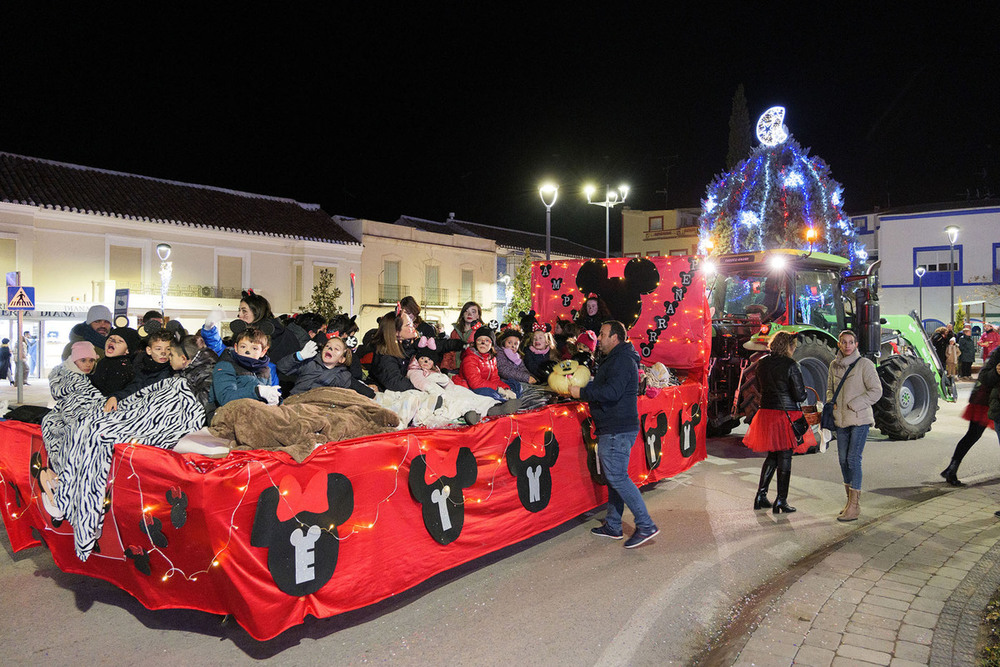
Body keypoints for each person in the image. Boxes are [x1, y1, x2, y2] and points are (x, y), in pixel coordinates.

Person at [569, 320, 659, 548]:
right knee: (614, 478)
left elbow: (612, 392)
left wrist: (581, 392)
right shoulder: (618, 358)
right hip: (616, 427)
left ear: (615, 337)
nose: (598, 338)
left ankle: (645, 524)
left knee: (618, 477)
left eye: (602, 334)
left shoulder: (620, 360)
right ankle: (613, 524)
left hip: (616, 429)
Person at [743, 332, 807, 514]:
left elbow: (762, 388)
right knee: (785, 457)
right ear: (788, 346)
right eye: (793, 346)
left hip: (766, 414)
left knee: (772, 455)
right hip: (784, 416)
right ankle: (781, 500)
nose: (794, 349)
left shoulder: (762, 363)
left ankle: (761, 496)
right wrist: (805, 395)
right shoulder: (791, 365)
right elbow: (799, 395)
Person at [826, 329, 882, 522]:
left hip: (859, 419)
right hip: (840, 420)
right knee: (842, 460)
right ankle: (849, 502)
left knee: (852, 459)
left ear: (856, 344)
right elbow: (829, 389)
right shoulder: (834, 365)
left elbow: (876, 391)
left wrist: (854, 404)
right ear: (839, 344)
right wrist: (831, 404)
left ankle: (854, 506)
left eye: (851, 342)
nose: (848, 345)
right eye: (844, 342)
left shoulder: (865, 365)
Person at [941, 345, 1000, 486]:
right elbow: (984, 376)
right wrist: (997, 372)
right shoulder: (998, 353)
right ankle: (952, 468)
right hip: (984, 401)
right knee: (973, 435)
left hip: (987, 400)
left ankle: (951, 469)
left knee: (972, 435)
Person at [277, 335, 375, 398]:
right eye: (328, 346)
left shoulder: (343, 376)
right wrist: (299, 356)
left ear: (342, 359)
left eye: (336, 349)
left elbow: (367, 393)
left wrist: (372, 391)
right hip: (295, 403)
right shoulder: (309, 363)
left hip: (318, 410)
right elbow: (281, 367)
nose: (330, 348)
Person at [210, 327, 280, 408]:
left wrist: (274, 399)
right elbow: (225, 398)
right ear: (236, 348)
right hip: (229, 416)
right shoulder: (226, 365)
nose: (247, 351)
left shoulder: (265, 370)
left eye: (254, 348)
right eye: (243, 347)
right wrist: (257, 392)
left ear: (263, 352)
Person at [459, 326, 521, 403]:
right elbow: (475, 383)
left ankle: (512, 399)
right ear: (475, 343)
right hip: (469, 388)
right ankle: (500, 404)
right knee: (488, 392)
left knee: (514, 384)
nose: (483, 342)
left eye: (487, 340)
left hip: (486, 385)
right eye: (479, 340)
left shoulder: (492, 359)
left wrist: (506, 389)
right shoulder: (470, 358)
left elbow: (494, 379)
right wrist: (498, 389)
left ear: (492, 344)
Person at [90, 326, 142, 408]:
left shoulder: (123, 367)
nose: (113, 342)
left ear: (127, 350)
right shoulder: (104, 362)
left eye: (120, 341)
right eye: (111, 338)